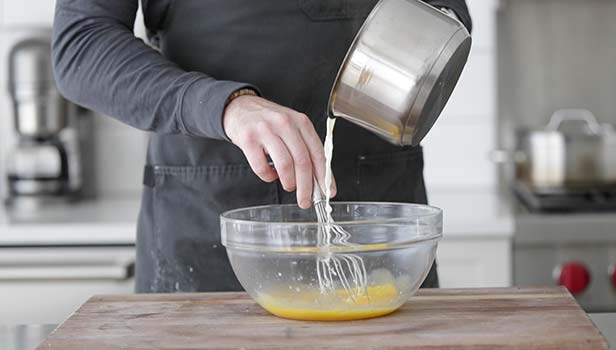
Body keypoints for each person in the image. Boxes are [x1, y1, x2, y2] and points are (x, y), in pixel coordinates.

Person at [52, 0, 472, 293]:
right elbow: (82, 45)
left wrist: (439, 27)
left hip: (378, 232)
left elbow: (442, 12)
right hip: (209, 239)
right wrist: (226, 107)